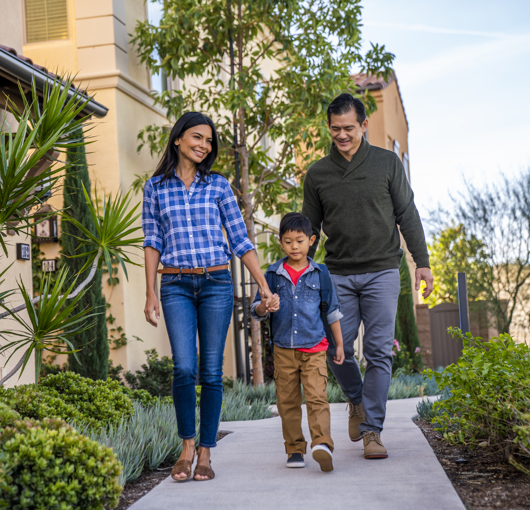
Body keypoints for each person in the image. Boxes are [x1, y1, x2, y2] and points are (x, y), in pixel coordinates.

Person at [142, 112, 273, 481]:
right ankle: (186, 446)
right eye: (197, 137)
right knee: (184, 367)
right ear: (178, 139)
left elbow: (240, 239)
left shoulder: (218, 185)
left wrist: (262, 284)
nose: (204, 145)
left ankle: (205, 453)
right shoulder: (154, 188)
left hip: (216, 282)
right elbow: (152, 241)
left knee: (212, 371)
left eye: (209, 141)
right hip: (175, 284)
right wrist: (149, 291)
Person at [302, 93, 434, 459]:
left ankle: (372, 430)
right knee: (334, 348)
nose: (342, 135)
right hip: (338, 273)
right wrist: (302, 274)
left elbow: (407, 213)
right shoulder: (317, 174)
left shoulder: (387, 164)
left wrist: (421, 261)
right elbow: (309, 229)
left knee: (378, 352)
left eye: (349, 128)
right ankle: (357, 400)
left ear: (363, 125)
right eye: (335, 129)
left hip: (382, 272)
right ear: (328, 128)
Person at [251, 212, 345, 472]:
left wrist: (339, 344)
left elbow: (333, 311)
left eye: (300, 241)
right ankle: (294, 449)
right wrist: (264, 307)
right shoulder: (272, 275)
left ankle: (322, 444)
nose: (294, 246)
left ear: (311, 241)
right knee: (287, 403)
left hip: (314, 348)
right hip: (283, 350)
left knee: (317, 398)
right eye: (289, 241)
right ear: (280, 242)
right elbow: (256, 312)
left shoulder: (321, 275)